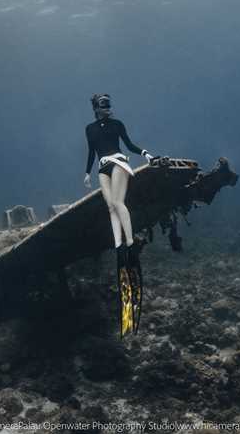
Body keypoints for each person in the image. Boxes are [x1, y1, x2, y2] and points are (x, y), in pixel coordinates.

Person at [84, 93, 157, 336]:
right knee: (110, 207)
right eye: (103, 105)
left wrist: (146, 154)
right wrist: (86, 173)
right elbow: (91, 153)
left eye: (109, 104)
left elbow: (129, 144)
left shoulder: (117, 125)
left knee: (118, 201)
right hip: (102, 167)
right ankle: (119, 247)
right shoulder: (90, 129)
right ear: (96, 108)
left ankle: (129, 240)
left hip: (118, 161)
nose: (108, 108)